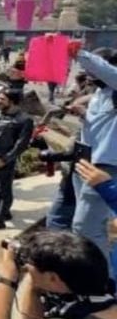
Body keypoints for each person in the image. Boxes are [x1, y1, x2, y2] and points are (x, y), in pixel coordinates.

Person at [0, 231, 117, 319]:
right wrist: (36, 285)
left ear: (53, 278)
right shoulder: (99, 287)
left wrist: (8, 274)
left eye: (30, 267)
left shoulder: (84, 314)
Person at [67, 44, 117, 263]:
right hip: (87, 161)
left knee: (84, 226)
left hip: (106, 167)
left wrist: (78, 53)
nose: (88, 75)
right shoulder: (99, 93)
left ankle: (98, 280)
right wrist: (84, 114)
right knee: (95, 223)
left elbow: (105, 70)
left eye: (93, 69)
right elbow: (98, 128)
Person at [0, 89, 34, 230]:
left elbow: (21, 144)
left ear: (12, 100)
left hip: (6, 158)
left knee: (4, 189)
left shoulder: (24, 119)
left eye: (2, 99)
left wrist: (6, 159)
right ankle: (4, 212)